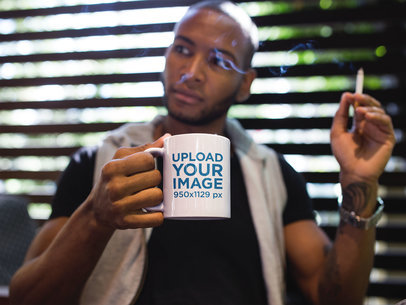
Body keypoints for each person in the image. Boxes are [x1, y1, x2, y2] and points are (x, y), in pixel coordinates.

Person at [9, 1, 395, 305]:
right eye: (182, 49)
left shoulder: (272, 174)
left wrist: (360, 183)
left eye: (218, 61)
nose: (191, 71)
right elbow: (27, 298)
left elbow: (335, 298)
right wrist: (95, 217)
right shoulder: (99, 164)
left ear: (245, 85)